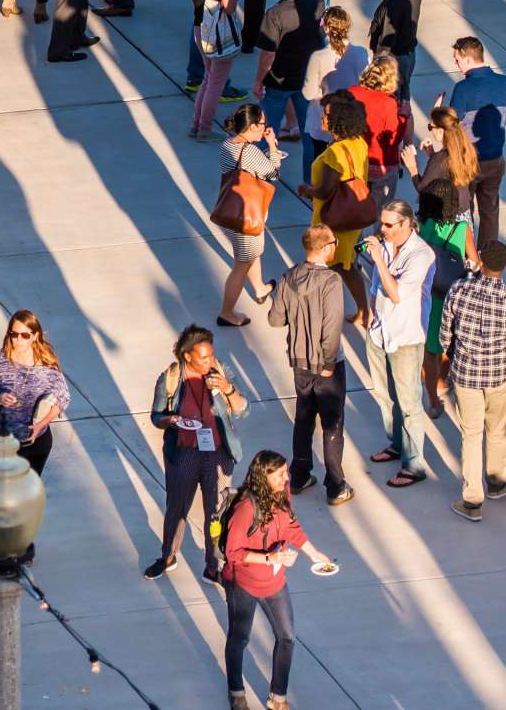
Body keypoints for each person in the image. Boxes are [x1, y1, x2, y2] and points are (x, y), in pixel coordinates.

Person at [217, 450, 333, 710]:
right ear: (264, 475)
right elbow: (232, 553)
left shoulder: (282, 495)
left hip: (274, 582)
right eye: (280, 474)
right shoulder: (247, 507)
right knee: (240, 638)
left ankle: (277, 698)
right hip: (243, 583)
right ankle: (236, 693)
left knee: (287, 637)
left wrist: (314, 553)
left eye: (287, 472)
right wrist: (270, 559)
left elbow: (291, 526)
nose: (286, 478)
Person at [146, 326, 246, 580]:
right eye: (203, 357)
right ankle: (167, 556)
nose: (209, 361)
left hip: (218, 453)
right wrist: (173, 419)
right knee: (177, 506)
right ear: (188, 355)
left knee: (217, 511)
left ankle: (214, 567)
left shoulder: (220, 372)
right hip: (185, 452)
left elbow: (243, 410)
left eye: (211, 355)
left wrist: (228, 389)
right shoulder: (170, 378)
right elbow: (156, 416)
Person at [439, 239, 506, 521]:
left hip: (465, 374)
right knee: (497, 430)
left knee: (471, 435)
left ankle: (472, 498)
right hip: (499, 376)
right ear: (505, 266)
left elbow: (445, 335)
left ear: (481, 261)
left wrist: (452, 352)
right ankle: (497, 481)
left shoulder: (459, 289)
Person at [271, 224, 352, 506]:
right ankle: (335, 484)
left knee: (303, 417)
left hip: (300, 362)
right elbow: (332, 327)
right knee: (332, 424)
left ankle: (300, 473)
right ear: (325, 247)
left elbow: (275, 319)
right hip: (327, 364)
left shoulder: (289, 276)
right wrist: (329, 362)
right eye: (334, 242)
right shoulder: (330, 281)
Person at [362, 201, 436, 489]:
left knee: (409, 403)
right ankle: (397, 444)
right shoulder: (386, 245)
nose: (383, 229)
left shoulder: (421, 255)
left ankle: (414, 463)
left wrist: (379, 259)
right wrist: (370, 314)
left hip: (405, 338)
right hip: (380, 333)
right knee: (385, 395)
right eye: (382, 223)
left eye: (390, 225)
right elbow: (375, 286)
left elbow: (395, 294)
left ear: (408, 223)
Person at [413, 106, 480, 413]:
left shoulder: (425, 230)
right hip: (460, 224)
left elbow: (426, 187)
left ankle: (432, 396)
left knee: (431, 345)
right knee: (453, 337)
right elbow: (474, 261)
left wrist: (414, 166)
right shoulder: (466, 151)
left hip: (433, 293)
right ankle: (445, 378)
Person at [299, 91, 377, 322]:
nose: (322, 118)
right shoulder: (358, 143)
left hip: (333, 219)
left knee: (327, 266)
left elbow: (325, 190)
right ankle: (363, 310)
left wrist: (307, 189)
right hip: (351, 216)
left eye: (325, 116)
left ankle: (325, 314)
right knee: (345, 264)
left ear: (337, 123)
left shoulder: (334, 152)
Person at [444, 37, 506, 255]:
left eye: (457, 60)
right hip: (495, 159)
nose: (456, 65)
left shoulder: (464, 87)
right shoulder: (504, 82)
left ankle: (467, 256)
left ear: (467, 59)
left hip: (467, 162)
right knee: (490, 211)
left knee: (462, 211)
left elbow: (451, 125)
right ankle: (487, 257)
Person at [212, 104, 284, 326]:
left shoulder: (227, 144)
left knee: (252, 252)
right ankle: (227, 313)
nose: (265, 127)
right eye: (262, 124)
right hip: (247, 215)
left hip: (231, 210)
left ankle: (260, 288)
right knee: (241, 265)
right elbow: (273, 171)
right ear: (252, 126)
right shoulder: (250, 151)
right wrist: (272, 146)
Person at [0, 309, 69, 472]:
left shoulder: (47, 366)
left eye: (25, 335)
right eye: (14, 334)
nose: (18, 340)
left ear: (34, 336)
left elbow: (62, 399)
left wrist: (41, 425)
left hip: (35, 443)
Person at [188, 0, 243, 139]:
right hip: (218, 34)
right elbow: (229, 6)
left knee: (208, 78)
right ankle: (205, 129)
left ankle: (196, 124)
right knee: (216, 83)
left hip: (199, 28)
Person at [298, 6, 366, 169]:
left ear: (326, 27)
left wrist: (322, 92)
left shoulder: (319, 57)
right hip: (350, 118)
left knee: (321, 166)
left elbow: (308, 94)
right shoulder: (361, 53)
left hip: (323, 120)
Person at [252, 0, 320, 126]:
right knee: (308, 128)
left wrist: (258, 80)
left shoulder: (275, 14)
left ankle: (265, 151)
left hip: (280, 79)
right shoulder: (317, 2)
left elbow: (268, 54)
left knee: (268, 127)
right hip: (306, 76)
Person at [366, 0, 422, 121]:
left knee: (393, 106)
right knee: (404, 101)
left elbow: (387, 41)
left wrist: (376, 68)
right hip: (408, 54)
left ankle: (396, 141)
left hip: (394, 61)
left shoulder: (394, 4)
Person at [347, 56, 407, 186]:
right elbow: (393, 140)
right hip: (381, 164)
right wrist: (403, 116)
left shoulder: (352, 92)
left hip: (354, 159)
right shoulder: (388, 102)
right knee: (383, 205)